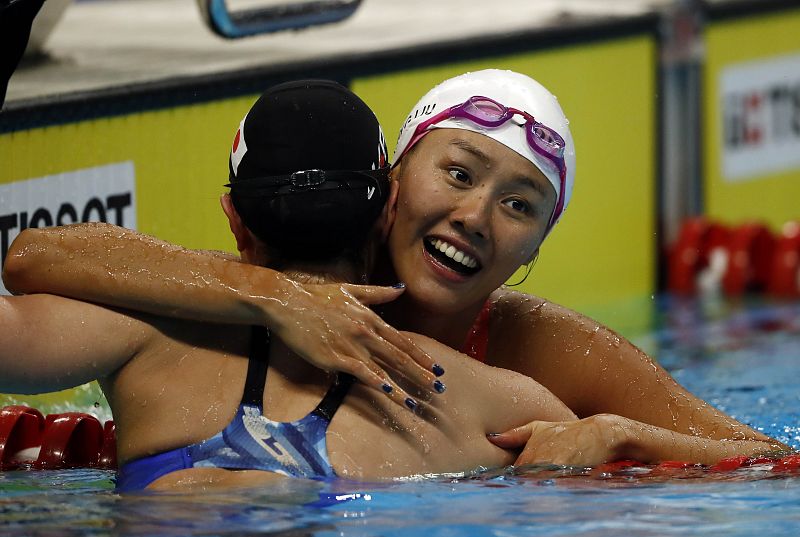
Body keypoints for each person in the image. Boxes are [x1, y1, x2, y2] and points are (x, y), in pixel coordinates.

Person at [4, 71, 789, 467]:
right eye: (458, 173)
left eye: (519, 206)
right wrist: (274, 295)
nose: (476, 216)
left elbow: (771, 462)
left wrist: (620, 438)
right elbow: (35, 256)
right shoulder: (273, 284)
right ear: (394, 182)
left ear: (535, 248)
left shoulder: (540, 351)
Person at [1, 79, 582, 492]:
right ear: (389, 212)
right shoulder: (490, 402)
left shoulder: (144, 332)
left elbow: (31, 268)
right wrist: (615, 434)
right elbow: (612, 469)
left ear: (235, 220)